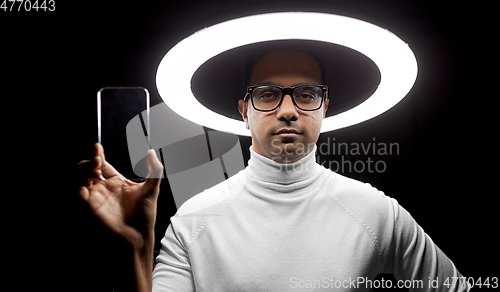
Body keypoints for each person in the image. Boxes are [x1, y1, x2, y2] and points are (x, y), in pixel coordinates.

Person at [78, 50, 469, 291]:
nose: (287, 110)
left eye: (306, 94)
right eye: (266, 94)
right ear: (244, 111)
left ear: (324, 108)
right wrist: (138, 244)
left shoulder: (374, 211)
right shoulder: (192, 220)